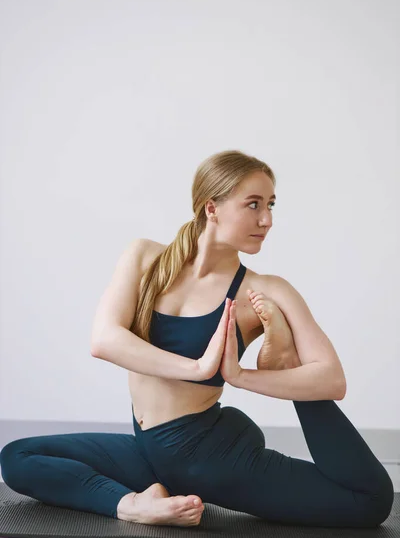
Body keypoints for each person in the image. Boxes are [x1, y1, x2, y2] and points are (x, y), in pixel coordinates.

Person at [0, 150, 394, 528]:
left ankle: (285, 361)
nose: (267, 218)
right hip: (148, 450)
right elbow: (104, 340)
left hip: (209, 457)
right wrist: (198, 368)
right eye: (253, 204)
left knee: (369, 500)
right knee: (17, 455)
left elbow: (332, 380)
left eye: (271, 204)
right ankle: (134, 505)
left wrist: (241, 376)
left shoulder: (266, 290)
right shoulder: (145, 258)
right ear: (212, 208)